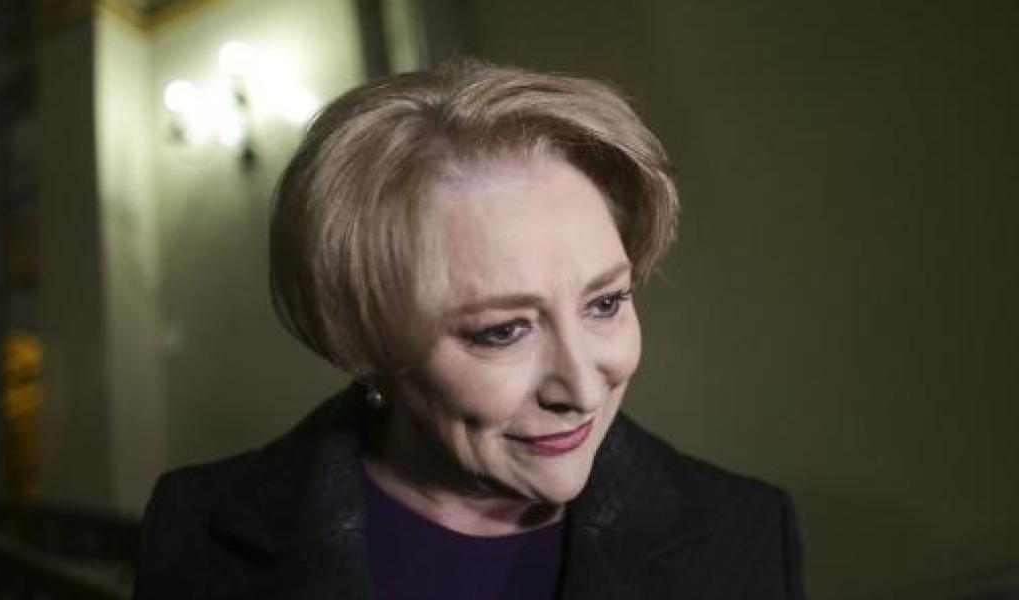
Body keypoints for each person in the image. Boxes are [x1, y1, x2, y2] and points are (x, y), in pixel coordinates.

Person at [135, 59, 805, 599]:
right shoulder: (197, 525)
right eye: (503, 331)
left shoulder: (743, 530)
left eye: (605, 303)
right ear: (369, 344)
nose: (581, 388)